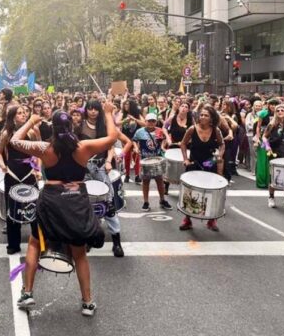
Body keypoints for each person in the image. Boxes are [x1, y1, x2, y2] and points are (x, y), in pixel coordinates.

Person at [10, 104, 117, 317]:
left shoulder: (45, 148)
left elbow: (14, 141)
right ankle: (87, 302)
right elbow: (112, 138)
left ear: (53, 127)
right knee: (79, 253)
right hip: (76, 200)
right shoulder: (83, 147)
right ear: (72, 125)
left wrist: (31, 121)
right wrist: (108, 113)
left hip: (51, 200)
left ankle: (28, 293)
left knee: (34, 243)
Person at [78, 99, 127, 257]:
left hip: (100, 166)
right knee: (85, 204)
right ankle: (88, 239)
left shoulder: (105, 125)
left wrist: (108, 161)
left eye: (96, 109)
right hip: (84, 169)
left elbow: (111, 146)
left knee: (108, 203)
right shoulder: (79, 126)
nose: (93, 112)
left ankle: (116, 242)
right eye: (90, 109)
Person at [0, 105, 38, 255]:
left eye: (25, 112)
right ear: (13, 117)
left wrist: (37, 169)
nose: (23, 115)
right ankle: (13, 244)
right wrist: (2, 166)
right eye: (19, 113)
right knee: (12, 209)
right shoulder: (6, 133)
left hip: (29, 173)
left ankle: (39, 240)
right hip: (12, 174)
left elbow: (39, 151)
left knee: (34, 208)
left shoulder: (33, 132)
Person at [179, 104, 225, 231]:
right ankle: (187, 219)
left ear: (211, 118)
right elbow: (183, 144)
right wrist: (186, 159)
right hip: (194, 163)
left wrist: (219, 156)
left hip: (209, 163)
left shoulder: (216, 130)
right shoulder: (192, 129)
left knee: (211, 191)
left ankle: (212, 220)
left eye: (206, 115)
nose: (203, 117)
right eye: (202, 115)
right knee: (190, 192)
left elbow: (222, 145)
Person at [133, 113, 171, 212]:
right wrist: (136, 147)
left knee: (160, 181)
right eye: (149, 121)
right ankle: (146, 202)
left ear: (156, 122)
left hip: (157, 160)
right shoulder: (139, 132)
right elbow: (134, 140)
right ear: (145, 121)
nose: (151, 123)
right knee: (145, 182)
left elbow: (164, 140)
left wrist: (163, 146)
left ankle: (162, 200)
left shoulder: (160, 131)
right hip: (145, 160)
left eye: (153, 121)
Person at [263, 104, 284, 208]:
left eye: (282, 110)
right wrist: (267, 146)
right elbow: (264, 137)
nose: (280, 112)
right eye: (278, 110)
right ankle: (271, 197)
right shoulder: (272, 124)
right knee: (274, 176)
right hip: (275, 152)